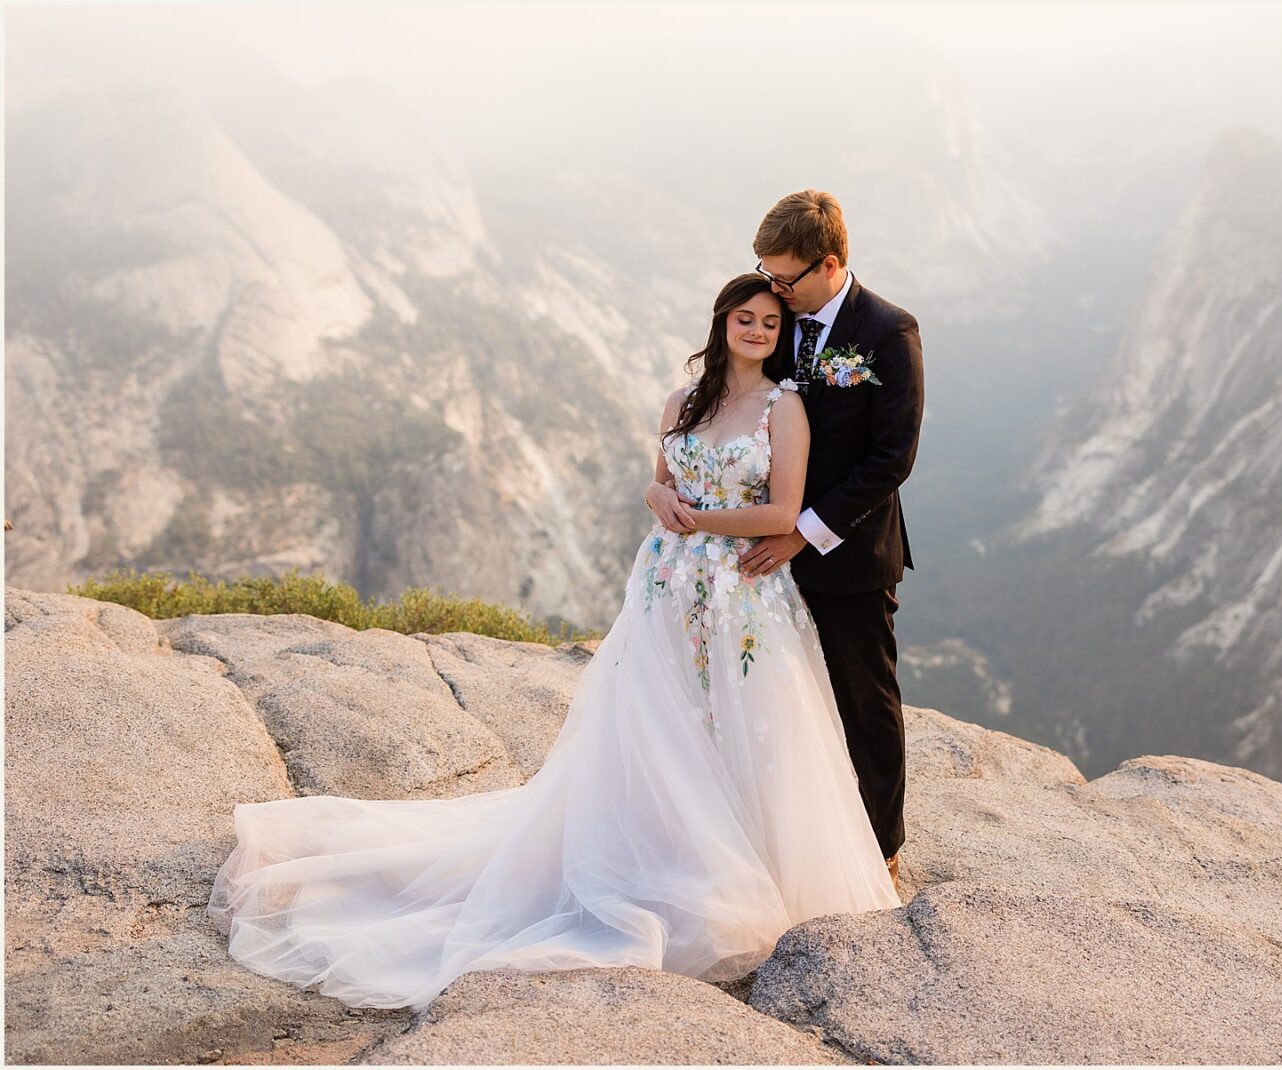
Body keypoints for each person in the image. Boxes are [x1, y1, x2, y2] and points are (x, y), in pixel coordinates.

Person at [207, 273, 901, 1013]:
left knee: (745, 724)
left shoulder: (783, 407)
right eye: (745, 318)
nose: (757, 331)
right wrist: (659, 497)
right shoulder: (683, 401)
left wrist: (696, 519)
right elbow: (660, 481)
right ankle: (664, 853)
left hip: (743, 593)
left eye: (770, 322)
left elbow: (783, 512)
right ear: (722, 323)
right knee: (660, 724)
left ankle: (745, 864)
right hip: (666, 587)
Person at [646, 190, 924, 887]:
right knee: (774, 702)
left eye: (785, 277)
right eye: (764, 274)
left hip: (847, 551)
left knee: (862, 699)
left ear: (828, 264)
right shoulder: (780, 320)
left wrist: (801, 530)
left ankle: (880, 849)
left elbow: (892, 457)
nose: (773, 289)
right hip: (750, 559)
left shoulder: (888, 331)